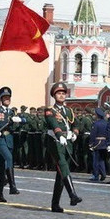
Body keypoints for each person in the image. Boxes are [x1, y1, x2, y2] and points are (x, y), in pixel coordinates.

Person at [43, 81, 82, 212]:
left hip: (67, 142)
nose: (61, 95)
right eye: (59, 93)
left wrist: (75, 133)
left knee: (61, 174)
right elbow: (53, 123)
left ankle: (55, 204)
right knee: (63, 166)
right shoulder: (50, 110)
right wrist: (59, 135)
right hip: (55, 142)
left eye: (63, 93)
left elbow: (76, 124)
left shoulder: (69, 110)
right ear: (54, 96)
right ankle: (72, 195)